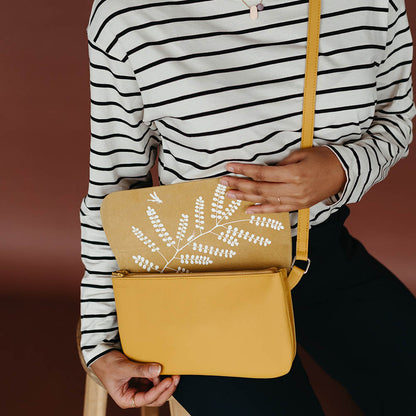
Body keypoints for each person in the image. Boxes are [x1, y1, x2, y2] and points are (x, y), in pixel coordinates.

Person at [79, 0, 416, 414]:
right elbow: (114, 186)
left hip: (319, 249)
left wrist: (341, 169)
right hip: (197, 279)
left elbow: (395, 120)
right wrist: (99, 342)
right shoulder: (126, 13)